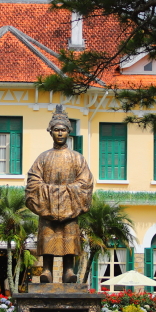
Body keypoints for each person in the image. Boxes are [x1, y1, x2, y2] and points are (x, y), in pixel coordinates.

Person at [24, 105, 94, 283]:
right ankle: (46, 270)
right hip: (47, 210)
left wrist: (64, 196)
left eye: (63, 130)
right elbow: (33, 181)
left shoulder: (77, 158)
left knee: (68, 240)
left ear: (69, 132)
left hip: (70, 211)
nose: (60, 133)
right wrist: (50, 196)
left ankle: (68, 270)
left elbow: (85, 183)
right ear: (51, 132)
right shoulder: (43, 158)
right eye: (56, 130)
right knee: (48, 238)